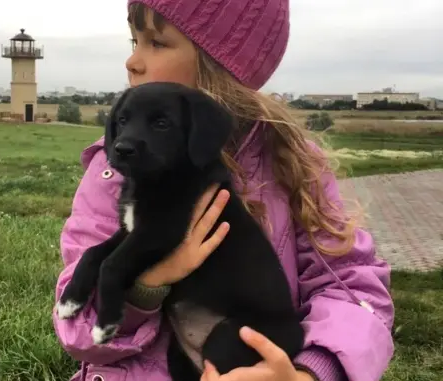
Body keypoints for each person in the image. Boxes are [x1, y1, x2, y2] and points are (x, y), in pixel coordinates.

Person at [52, 0, 395, 380]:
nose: (132, 62)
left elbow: (353, 288)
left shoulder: (290, 162)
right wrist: (147, 284)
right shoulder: (113, 171)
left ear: (222, 64)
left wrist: (310, 373)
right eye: (134, 41)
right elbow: (77, 328)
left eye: (156, 43)